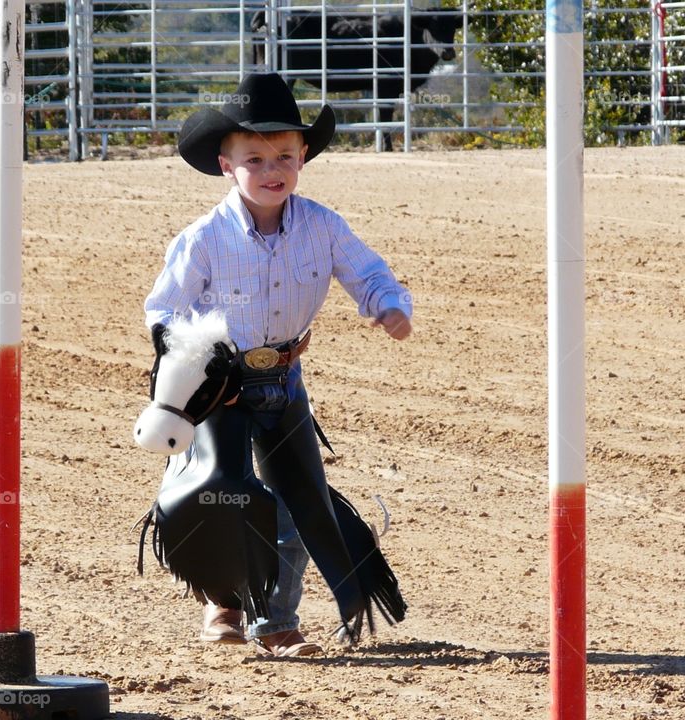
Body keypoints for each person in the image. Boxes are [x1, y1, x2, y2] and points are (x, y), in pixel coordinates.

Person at [143, 73, 412, 657]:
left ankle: (277, 622)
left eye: (285, 155)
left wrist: (387, 304)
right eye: (256, 157)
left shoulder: (322, 226)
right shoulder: (204, 239)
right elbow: (164, 311)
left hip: (285, 381)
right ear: (225, 165)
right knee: (220, 494)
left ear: (304, 157)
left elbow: (366, 272)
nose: (273, 169)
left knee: (294, 502)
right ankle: (223, 599)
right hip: (220, 386)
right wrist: (192, 367)